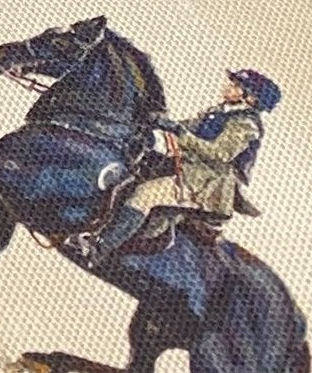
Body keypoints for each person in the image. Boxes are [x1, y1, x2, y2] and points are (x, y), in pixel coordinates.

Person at [77, 68, 278, 263]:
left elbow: (219, 153)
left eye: (236, 86)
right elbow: (187, 127)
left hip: (208, 181)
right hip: (189, 166)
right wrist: (161, 122)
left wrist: (180, 134)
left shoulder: (245, 124)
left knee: (145, 194)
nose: (228, 87)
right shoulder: (218, 110)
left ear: (250, 98)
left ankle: (97, 249)